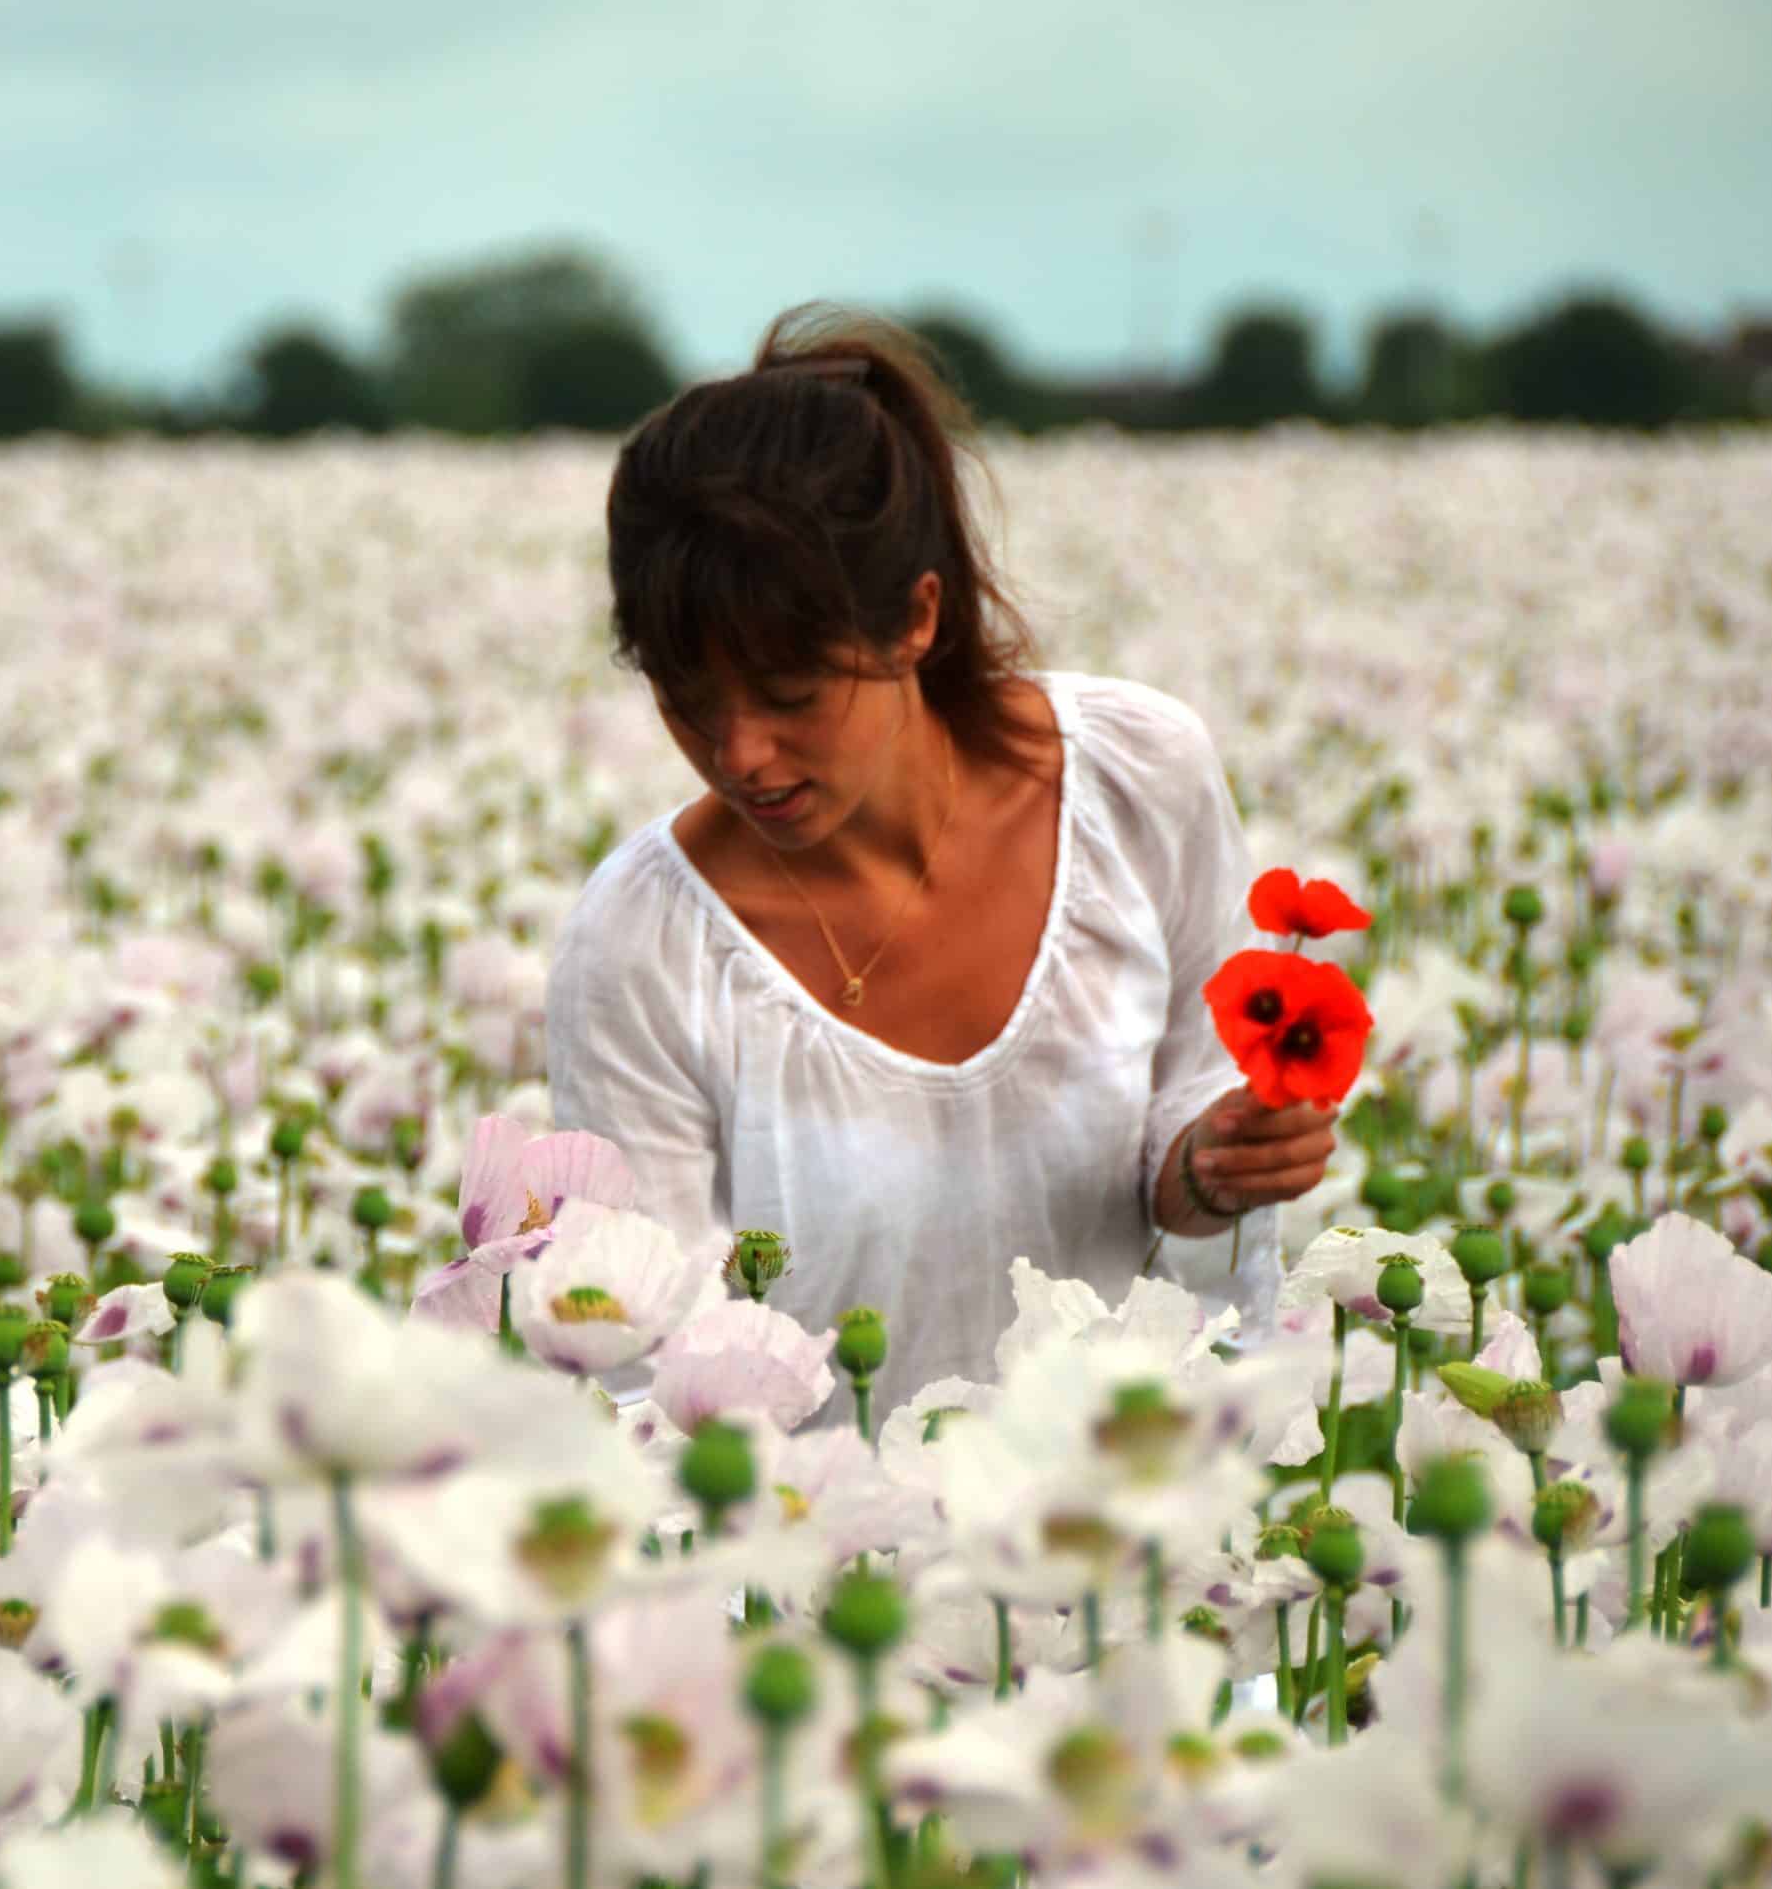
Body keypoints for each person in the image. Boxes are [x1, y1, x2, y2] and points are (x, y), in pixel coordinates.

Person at [546, 302, 1337, 1428]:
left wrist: (1216, 1165)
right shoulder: (639, 947)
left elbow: (1190, 1117)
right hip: (808, 1560)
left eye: (788, 694)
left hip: (1131, 1510)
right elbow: (639, 1365)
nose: (739, 755)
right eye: (688, 702)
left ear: (917, 618)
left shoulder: (1138, 779)